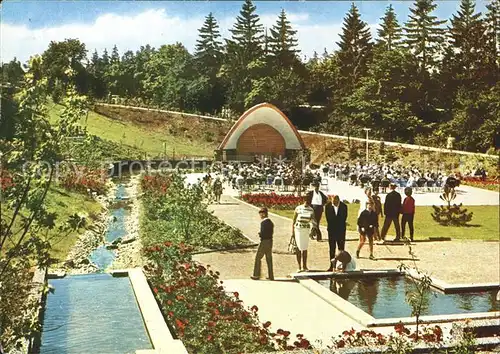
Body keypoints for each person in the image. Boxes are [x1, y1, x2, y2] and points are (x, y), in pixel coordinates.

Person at [292, 194, 317, 272]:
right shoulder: (298, 208)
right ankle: (299, 266)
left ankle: (305, 266)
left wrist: (314, 228)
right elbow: (293, 220)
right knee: (298, 248)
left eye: (308, 200)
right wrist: (292, 232)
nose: (307, 202)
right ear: (303, 200)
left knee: (305, 248)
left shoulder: (311, 210)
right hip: (298, 229)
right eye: (305, 200)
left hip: (306, 230)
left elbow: (314, 221)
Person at [325, 195, 348, 271]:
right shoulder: (328, 206)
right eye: (332, 201)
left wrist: (339, 228)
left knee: (341, 248)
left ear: (338, 200)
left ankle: (341, 265)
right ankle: (332, 265)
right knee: (332, 248)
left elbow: (343, 218)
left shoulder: (344, 206)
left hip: (340, 230)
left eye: (335, 202)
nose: (334, 203)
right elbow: (328, 218)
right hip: (332, 230)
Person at [251, 207, 274, 280]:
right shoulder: (270, 222)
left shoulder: (263, 223)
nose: (260, 216)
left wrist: (260, 234)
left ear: (264, 214)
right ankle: (271, 275)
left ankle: (256, 274)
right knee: (269, 258)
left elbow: (263, 233)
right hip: (270, 241)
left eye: (261, 214)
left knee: (258, 257)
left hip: (264, 241)